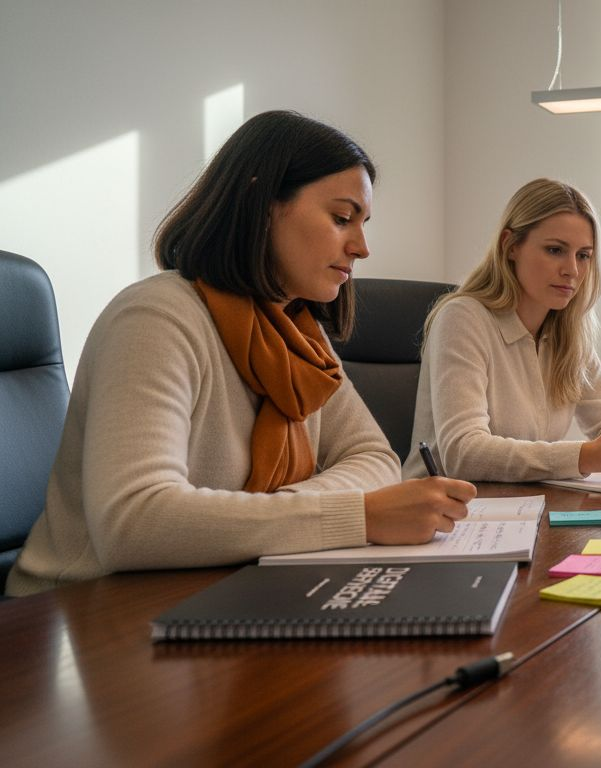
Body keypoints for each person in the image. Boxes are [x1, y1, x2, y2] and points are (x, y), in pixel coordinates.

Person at [6, 111, 476, 597]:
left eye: (363, 223)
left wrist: (268, 517)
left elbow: (374, 456)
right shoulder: (154, 318)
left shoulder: (297, 331)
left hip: (216, 585)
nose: (361, 247)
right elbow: (134, 520)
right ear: (260, 203)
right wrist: (356, 515)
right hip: (80, 614)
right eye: (341, 218)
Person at [404, 178, 601, 483]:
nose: (572, 270)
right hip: (452, 513)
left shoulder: (570, 331)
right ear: (510, 246)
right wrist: (587, 456)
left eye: (583, 255)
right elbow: (463, 452)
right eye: (554, 250)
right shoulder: (462, 318)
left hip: (530, 503)